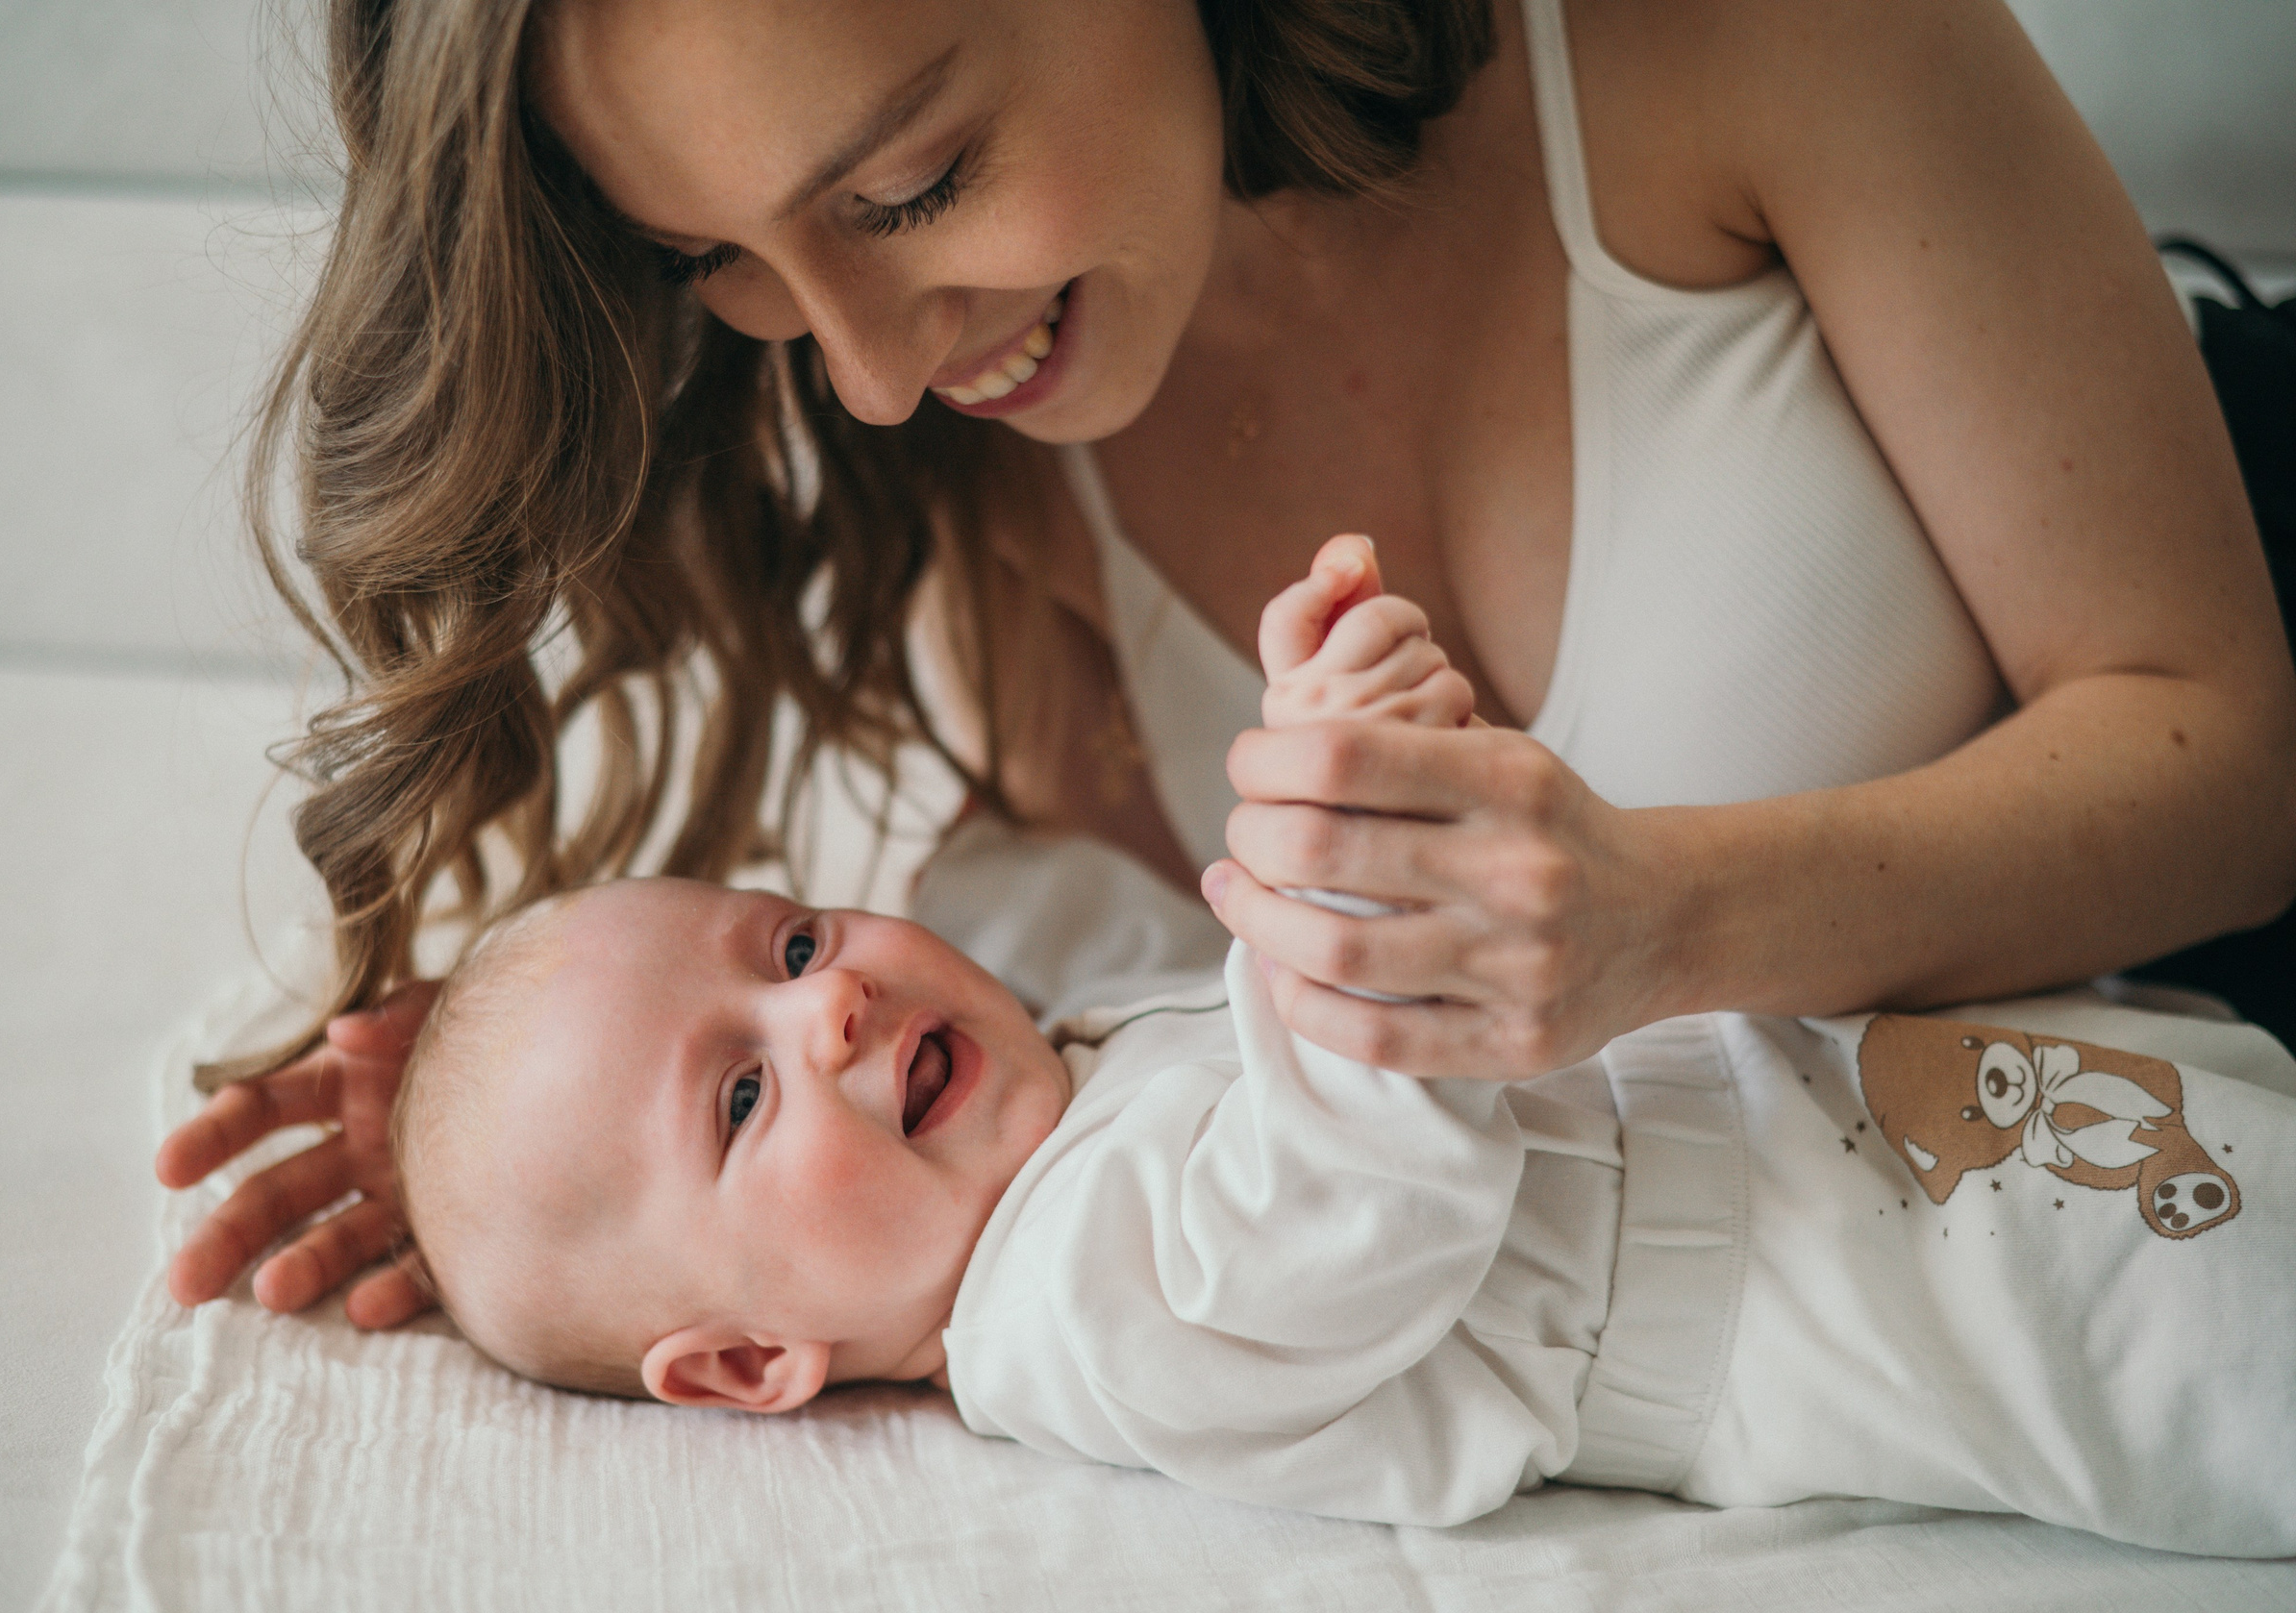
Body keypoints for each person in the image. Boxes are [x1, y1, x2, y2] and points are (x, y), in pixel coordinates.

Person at [157, 0, 2296, 1333]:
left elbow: (2228, 771)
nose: (874, 377)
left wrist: (1666, 922)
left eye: (912, 183)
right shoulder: (980, 457)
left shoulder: (1735, 41)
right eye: (720, 261)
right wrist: (559, 1172)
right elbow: (1103, 1039)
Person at [372, 551, 2296, 1555]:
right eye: (739, 1092)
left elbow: (1057, 902)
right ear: (746, 1362)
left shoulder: (1042, 1093)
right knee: (2213, 1360)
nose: (832, 1004)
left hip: (1859, 1094)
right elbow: (1357, 1200)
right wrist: (1340, 822)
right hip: (1830, 1308)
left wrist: (1313, 759)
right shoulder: (1067, 1326)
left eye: (789, 941)